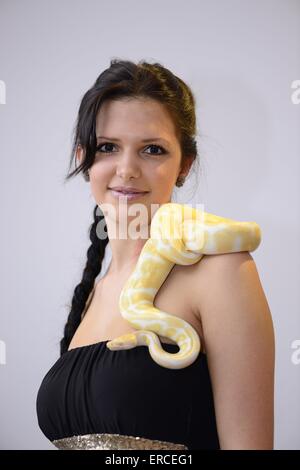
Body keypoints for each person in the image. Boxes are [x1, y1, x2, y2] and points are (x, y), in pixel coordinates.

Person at [36, 59, 275, 450]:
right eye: (108, 147)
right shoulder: (93, 291)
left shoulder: (221, 271)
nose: (127, 169)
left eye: (152, 149)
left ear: (185, 165)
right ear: (84, 157)